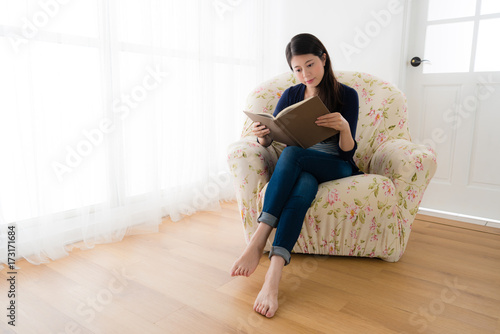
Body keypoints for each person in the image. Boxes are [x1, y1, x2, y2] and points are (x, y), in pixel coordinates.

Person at [230, 33, 361, 318]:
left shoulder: (346, 94)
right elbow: (277, 136)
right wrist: (263, 136)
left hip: (335, 164)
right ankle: (273, 277)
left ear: (324, 59)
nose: (305, 74)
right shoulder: (291, 94)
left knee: (291, 155)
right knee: (301, 186)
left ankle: (259, 237)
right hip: (302, 166)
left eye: (310, 65)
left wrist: (344, 129)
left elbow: (347, 154)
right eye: (297, 69)